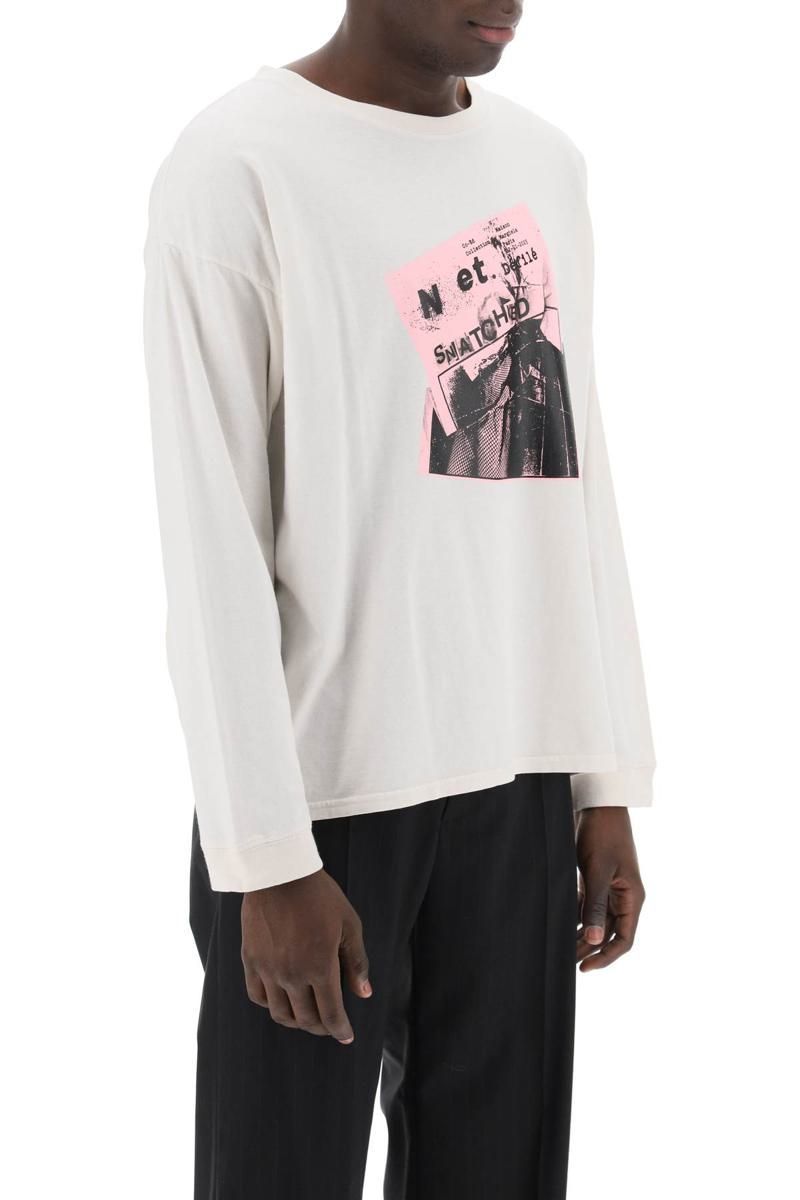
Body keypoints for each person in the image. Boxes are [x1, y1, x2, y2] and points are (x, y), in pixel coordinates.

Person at [142, 2, 656, 1197]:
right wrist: (265, 858)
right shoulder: (237, 167)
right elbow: (211, 540)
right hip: (322, 796)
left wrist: (603, 780)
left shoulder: (542, 162)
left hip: (518, 775)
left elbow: (571, 479)